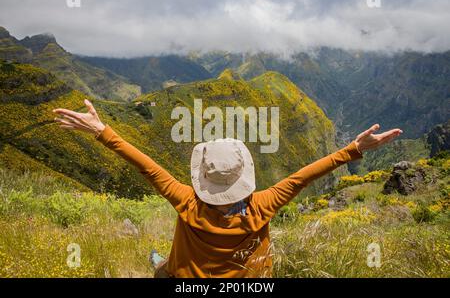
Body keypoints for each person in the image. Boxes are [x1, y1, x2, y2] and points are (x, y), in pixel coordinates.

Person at [53, 99, 403, 278]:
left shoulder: (185, 202)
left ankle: (161, 265)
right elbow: (303, 177)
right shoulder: (265, 204)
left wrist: (101, 130)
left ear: (202, 178)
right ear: (243, 176)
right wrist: (353, 149)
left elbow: (147, 166)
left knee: (167, 268)